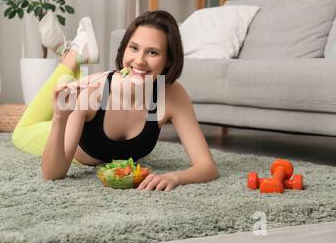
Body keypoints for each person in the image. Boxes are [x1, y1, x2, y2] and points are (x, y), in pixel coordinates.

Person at [12, 10, 218, 191]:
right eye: (134, 48)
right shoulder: (94, 90)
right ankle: (72, 55)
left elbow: (206, 167)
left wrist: (175, 176)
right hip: (65, 138)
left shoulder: (172, 96)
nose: (139, 60)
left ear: (169, 60)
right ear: (124, 49)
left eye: (153, 52)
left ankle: (71, 53)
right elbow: (53, 174)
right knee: (21, 132)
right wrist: (59, 117)